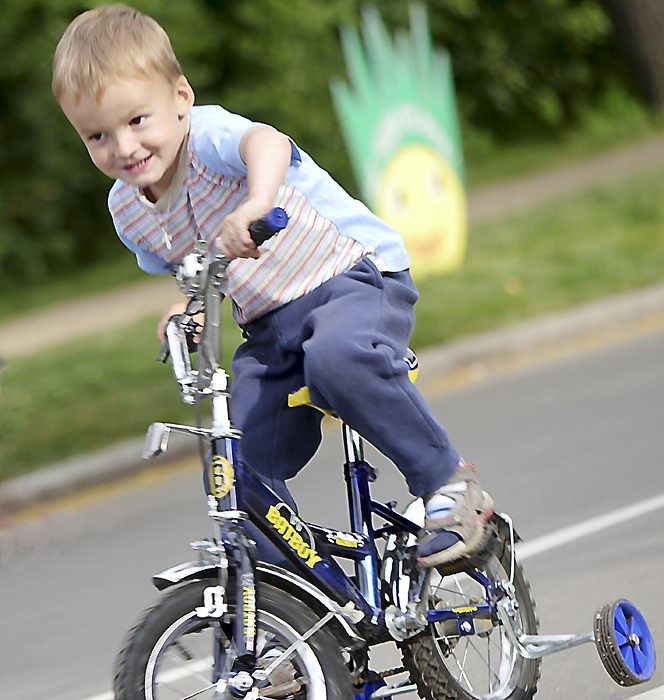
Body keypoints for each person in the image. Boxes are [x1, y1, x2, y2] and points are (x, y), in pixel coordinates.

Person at [52, 3, 493, 570]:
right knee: (236, 453)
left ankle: (449, 486)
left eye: (138, 120)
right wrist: (188, 305)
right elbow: (198, 267)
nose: (124, 147)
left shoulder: (207, 136)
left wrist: (257, 202)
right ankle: (282, 601)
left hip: (350, 277)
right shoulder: (129, 212)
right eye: (98, 136)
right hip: (270, 323)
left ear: (180, 99)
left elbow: (267, 142)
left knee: (338, 358)